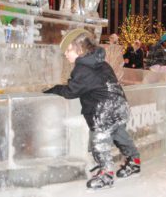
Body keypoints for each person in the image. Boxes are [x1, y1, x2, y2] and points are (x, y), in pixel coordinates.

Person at [44, 28, 140, 189]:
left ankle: (106, 173)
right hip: (121, 106)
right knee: (119, 135)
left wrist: (53, 89)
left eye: (68, 50)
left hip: (104, 110)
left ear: (80, 49)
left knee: (99, 141)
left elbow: (71, 91)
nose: (65, 54)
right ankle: (134, 161)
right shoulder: (102, 63)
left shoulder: (82, 68)